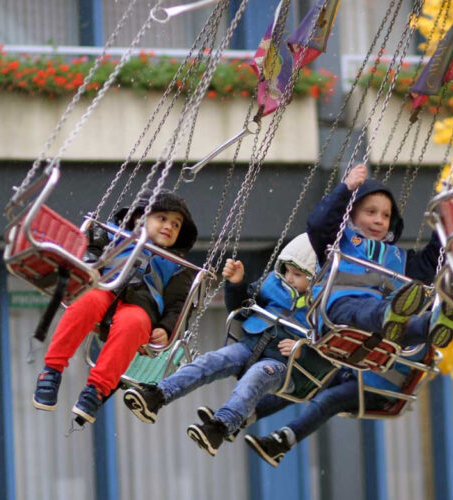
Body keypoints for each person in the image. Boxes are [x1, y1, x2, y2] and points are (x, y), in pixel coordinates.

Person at [122, 234, 328, 457]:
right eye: (286, 271)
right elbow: (240, 310)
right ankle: (158, 395)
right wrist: (236, 283)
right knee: (210, 362)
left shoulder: (323, 309)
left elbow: (328, 354)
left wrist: (302, 351)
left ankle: (219, 428)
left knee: (254, 379)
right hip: (250, 345)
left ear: (315, 278)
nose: (288, 278)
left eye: (297, 275)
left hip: (282, 365)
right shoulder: (273, 283)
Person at [31, 191, 198, 425]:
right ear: (140, 217)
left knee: (135, 324)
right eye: (162, 218)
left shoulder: (175, 265)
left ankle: (97, 389)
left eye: (176, 224)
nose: (169, 226)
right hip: (106, 287)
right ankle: (52, 370)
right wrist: (91, 265)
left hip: (141, 304)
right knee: (86, 302)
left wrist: (166, 328)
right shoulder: (115, 235)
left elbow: (178, 304)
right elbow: (91, 245)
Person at [307, 164, 453, 348]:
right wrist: (346, 188)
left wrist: (445, 221)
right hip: (340, 310)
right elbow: (318, 224)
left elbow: (430, 263)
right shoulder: (337, 239)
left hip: (384, 326)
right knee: (367, 311)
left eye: (386, 216)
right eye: (371, 212)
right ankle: (390, 314)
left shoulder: (396, 257)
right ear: (351, 213)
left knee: (407, 324)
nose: (379, 220)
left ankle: (436, 323)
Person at [244, 343, 432, 467]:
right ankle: (242, 418)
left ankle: (282, 442)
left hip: (376, 389)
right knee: (305, 383)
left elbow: (409, 351)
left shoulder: (420, 334)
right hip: (351, 373)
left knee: (329, 400)